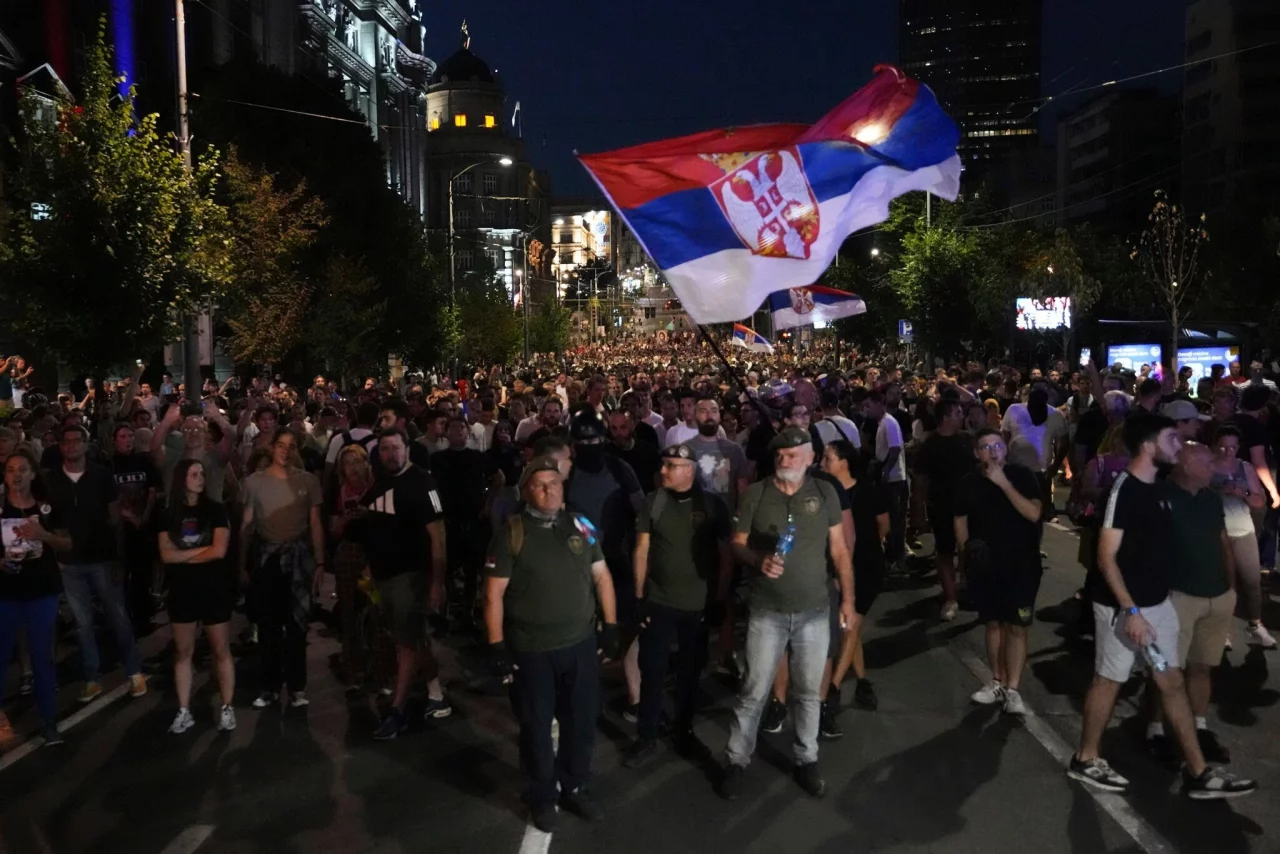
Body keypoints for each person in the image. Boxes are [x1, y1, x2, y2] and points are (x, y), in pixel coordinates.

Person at [1067, 413, 1256, 799]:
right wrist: (1131, 611)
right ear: (1148, 445)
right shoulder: (1125, 489)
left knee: (1171, 682)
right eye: (1172, 438)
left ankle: (1198, 773)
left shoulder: (1157, 487)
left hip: (1157, 604)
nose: (1179, 444)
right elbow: (1106, 558)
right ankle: (1085, 758)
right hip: (1123, 608)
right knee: (1109, 680)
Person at [484, 456, 620, 833]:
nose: (550, 490)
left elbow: (602, 576)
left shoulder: (581, 525)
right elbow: (493, 595)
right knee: (536, 726)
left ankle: (575, 784)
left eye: (555, 482)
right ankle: (542, 794)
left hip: (580, 645)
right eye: (540, 484)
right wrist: (496, 645)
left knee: (581, 722)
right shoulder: (511, 532)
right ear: (526, 491)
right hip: (532, 650)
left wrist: (611, 625)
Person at [719, 427, 855, 801]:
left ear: (810, 458)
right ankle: (736, 759)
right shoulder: (756, 494)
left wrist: (848, 600)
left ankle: (807, 758)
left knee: (809, 692)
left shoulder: (824, 492)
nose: (785, 460)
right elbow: (737, 544)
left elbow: (840, 550)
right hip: (767, 610)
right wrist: (757, 559)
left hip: (814, 610)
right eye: (780, 454)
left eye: (793, 454)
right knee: (753, 690)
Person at [624, 443, 732, 768]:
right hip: (659, 602)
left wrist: (720, 598)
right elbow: (641, 550)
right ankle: (647, 736)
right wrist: (639, 597)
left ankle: (684, 732)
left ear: (690, 470)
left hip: (697, 606)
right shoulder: (654, 502)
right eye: (664, 464)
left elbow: (726, 554)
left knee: (689, 673)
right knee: (652, 671)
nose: (663, 471)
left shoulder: (712, 505)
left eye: (671, 466)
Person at [1147, 443, 1237, 764]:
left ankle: (1198, 726)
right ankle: (1156, 728)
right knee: (1168, 668)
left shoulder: (1211, 499)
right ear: (1186, 466)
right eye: (1207, 463)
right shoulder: (1160, 497)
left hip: (1216, 595)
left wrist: (1231, 588)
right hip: (1178, 595)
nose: (1214, 468)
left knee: (1202, 666)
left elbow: (1222, 541)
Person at [47, 424, 146, 703]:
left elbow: (115, 520)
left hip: (102, 558)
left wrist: (118, 557)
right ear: (61, 446)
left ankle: (134, 671)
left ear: (86, 444)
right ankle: (92, 678)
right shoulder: (52, 480)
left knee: (118, 617)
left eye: (76, 440)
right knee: (83, 624)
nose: (71, 445)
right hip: (70, 564)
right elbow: (50, 521)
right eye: (66, 441)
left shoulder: (101, 475)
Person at [365, 428, 452, 738]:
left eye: (396, 447)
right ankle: (435, 692)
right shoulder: (380, 482)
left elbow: (438, 537)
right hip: (383, 577)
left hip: (412, 577)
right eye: (385, 449)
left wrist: (437, 583)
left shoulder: (422, 483)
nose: (391, 454)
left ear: (408, 449)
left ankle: (398, 710)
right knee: (411, 638)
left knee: (406, 643)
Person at [956, 428, 1043, 716]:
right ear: (976, 453)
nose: (993, 452)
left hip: (1021, 565)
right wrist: (965, 557)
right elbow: (960, 520)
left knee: (1016, 626)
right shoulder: (968, 482)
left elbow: (1033, 513)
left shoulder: (1023, 476)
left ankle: (1013, 689)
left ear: (1005, 448)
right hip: (985, 565)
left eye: (997, 445)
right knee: (992, 624)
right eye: (985, 447)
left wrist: (1004, 484)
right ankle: (996, 681)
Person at [240, 427, 325, 709]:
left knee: (297, 627)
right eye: (281, 445)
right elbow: (247, 525)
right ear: (272, 447)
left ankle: (297, 687)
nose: (285, 451)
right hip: (268, 560)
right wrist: (241, 563)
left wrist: (320, 562)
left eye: (291, 446)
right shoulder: (254, 482)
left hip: (299, 560)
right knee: (268, 627)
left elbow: (315, 524)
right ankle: (270, 687)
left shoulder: (309, 481)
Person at [0, 451, 72, 745]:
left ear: (32, 473)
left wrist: (43, 535)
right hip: (5, 593)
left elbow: (67, 543)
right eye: (10, 470)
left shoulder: (47, 507)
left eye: (22, 469)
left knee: (42, 657)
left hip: (41, 591)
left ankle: (49, 721)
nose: (16, 475)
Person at [159, 459, 235, 734]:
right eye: (194, 474)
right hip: (182, 590)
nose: (200, 478)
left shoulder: (215, 510)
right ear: (182, 479)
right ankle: (183, 710)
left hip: (213, 587)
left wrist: (182, 557)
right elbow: (165, 555)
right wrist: (200, 553)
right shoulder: (168, 513)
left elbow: (219, 550)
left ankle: (227, 707)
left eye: (202, 473)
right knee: (183, 651)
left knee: (220, 648)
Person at [820, 439, 888, 714]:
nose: (822, 463)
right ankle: (862, 681)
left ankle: (833, 687)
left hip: (867, 565)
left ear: (844, 462)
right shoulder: (825, 492)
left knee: (851, 624)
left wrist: (872, 548)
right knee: (851, 626)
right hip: (839, 567)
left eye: (828, 458)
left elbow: (883, 523)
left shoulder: (867, 489)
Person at [1209, 427, 1275, 648]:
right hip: (1217, 531)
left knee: (1252, 581)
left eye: (1233, 447)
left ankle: (1255, 625)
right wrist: (1218, 491)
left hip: (1242, 528)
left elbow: (1259, 501)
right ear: (1215, 445)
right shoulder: (1207, 466)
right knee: (1225, 584)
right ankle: (1222, 629)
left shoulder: (1245, 467)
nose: (1228, 452)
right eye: (1223, 446)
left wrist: (1243, 493)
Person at [429, 416, 497, 629]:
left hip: (473, 519)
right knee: (446, 570)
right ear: (446, 432)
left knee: (472, 570)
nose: (458, 431)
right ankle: (444, 612)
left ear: (467, 432)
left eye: (461, 427)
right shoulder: (437, 459)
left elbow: (499, 478)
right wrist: (436, 510)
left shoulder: (477, 457)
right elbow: (430, 487)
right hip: (449, 520)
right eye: (453, 427)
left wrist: (488, 504)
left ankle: (468, 612)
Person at [915, 398, 975, 621]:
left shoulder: (967, 440)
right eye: (958, 412)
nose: (962, 416)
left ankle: (966, 587)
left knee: (969, 550)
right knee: (945, 552)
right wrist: (919, 511)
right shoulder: (929, 445)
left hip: (969, 506)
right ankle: (951, 599)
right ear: (946, 416)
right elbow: (920, 481)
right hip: (942, 506)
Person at [110, 424, 161, 637]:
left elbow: (153, 489)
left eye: (131, 435)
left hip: (142, 526)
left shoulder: (143, 461)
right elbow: (108, 498)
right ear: (115, 440)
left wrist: (144, 516)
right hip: (119, 529)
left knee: (142, 574)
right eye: (123, 436)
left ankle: (143, 618)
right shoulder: (109, 464)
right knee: (120, 574)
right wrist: (128, 516)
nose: (128, 440)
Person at [865, 389, 908, 567]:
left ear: (878, 403)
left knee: (895, 521)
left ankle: (898, 558)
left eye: (868, 405)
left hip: (894, 480)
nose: (866, 410)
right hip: (890, 479)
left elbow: (895, 448)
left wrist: (886, 471)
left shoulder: (889, 422)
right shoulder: (883, 422)